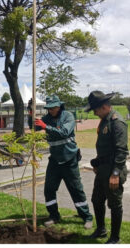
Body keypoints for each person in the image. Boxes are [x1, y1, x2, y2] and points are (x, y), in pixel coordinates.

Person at [35, 95, 92, 228]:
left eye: (53, 108)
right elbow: (35, 127)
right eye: (48, 108)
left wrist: (46, 127)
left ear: (59, 106)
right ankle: (54, 216)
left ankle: (86, 217)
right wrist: (30, 115)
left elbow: (64, 132)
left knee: (76, 189)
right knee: (49, 189)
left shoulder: (68, 116)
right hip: (54, 160)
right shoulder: (47, 118)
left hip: (69, 159)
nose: (51, 110)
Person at [86, 91, 127, 244]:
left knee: (114, 204)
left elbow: (122, 151)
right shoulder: (104, 120)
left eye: (95, 110)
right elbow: (104, 147)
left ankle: (115, 238)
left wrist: (115, 174)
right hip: (102, 170)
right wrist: (97, 162)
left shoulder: (117, 122)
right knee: (96, 200)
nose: (95, 113)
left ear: (104, 107)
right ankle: (101, 229)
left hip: (113, 170)